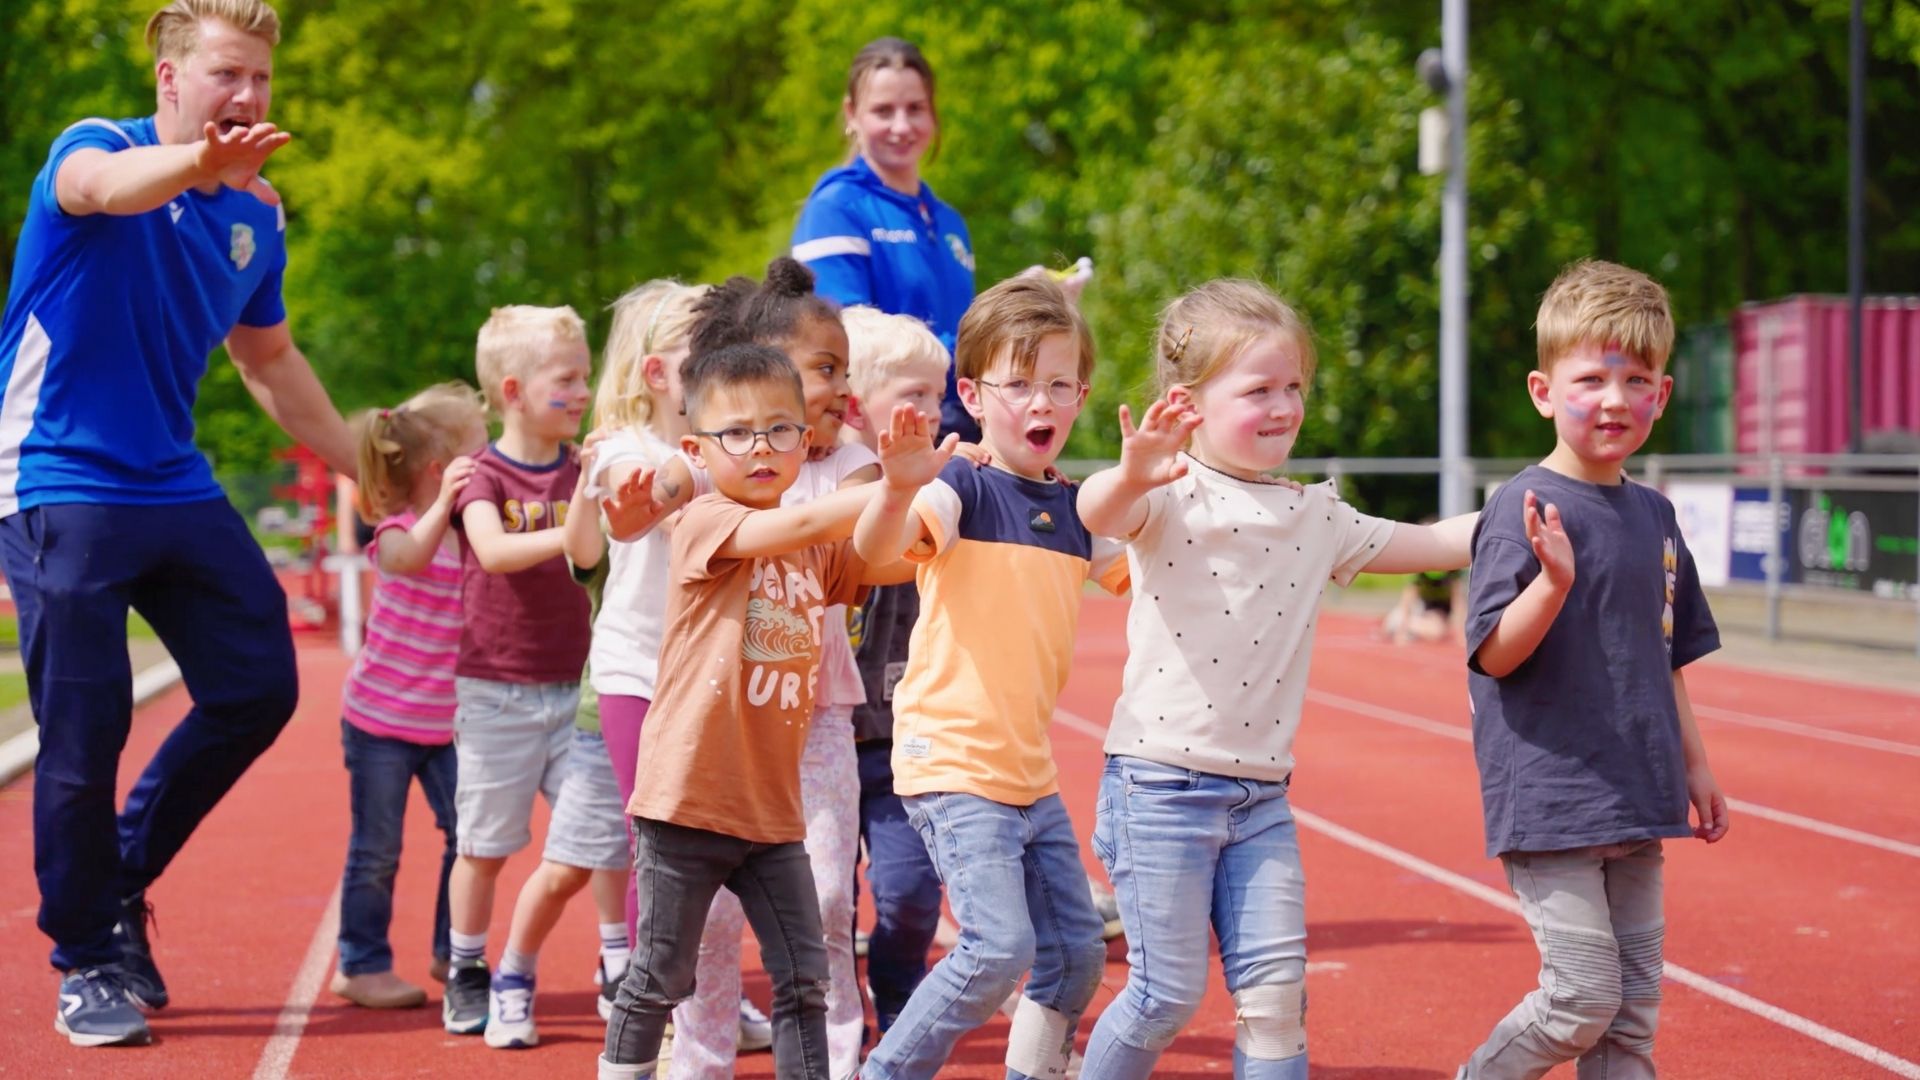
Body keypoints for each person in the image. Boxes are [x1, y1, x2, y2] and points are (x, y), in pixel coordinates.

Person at [0, 0, 357, 1047]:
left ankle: (117, 877)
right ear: (169, 79)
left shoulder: (257, 215)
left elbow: (268, 359)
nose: (246, 96)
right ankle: (87, 959)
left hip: (168, 479)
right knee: (86, 729)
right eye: (224, 74)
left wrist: (365, 471)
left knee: (258, 685)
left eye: (260, 79)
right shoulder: (95, 149)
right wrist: (200, 165)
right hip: (55, 476)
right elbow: (108, 191)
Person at [1073, 280, 1478, 1078]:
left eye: (1294, 386)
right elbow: (1099, 513)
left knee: (1276, 1000)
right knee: (1163, 998)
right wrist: (1133, 472)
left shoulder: (1318, 516)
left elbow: (1435, 544)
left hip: (1260, 801)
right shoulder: (1167, 495)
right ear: (1188, 403)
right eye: (1258, 390)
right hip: (1158, 789)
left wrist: (1550, 498)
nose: (1284, 406)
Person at [597, 345, 950, 1080]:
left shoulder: (816, 550)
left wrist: (922, 500)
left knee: (804, 977)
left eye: (779, 431)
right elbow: (804, 523)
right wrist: (894, 483)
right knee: (661, 972)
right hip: (688, 803)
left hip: (771, 812)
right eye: (736, 433)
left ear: (805, 440)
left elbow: (886, 556)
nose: (761, 448)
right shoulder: (703, 520)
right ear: (695, 451)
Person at [1456, 260, 1729, 1079]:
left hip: (1639, 797)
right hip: (1554, 802)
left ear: (1663, 395)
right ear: (1544, 392)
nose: (1614, 399)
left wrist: (1696, 767)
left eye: (1635, 380)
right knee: (1580, 998)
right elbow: (1493, 653)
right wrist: (1553, 583)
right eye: (1591, 379)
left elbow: (1666, 655)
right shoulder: (1523, 508)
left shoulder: (1656, 515)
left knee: (1631, 1017)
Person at [852, 275, 1127, 1080]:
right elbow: (877, 553)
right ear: (971, 396)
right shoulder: (960, 487)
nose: (1041, 401)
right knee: (999, 947)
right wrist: (898, 487)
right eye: (1019, 384)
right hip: (952, 759)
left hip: (1027, 772)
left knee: (1076, 952)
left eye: (1060, 384)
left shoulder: (1079, 511)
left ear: (1082, 396)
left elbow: (1152, 579)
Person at [440, 305, 597, 1036]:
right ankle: (467, 966)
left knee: (602, 839)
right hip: (496, 692)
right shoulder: (484, 476)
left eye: (586, 376)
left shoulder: (582, 469)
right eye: (568, 379)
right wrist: (580, 526)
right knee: (484, 847)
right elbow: (495, 552)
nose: (584, 391)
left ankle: (617, 957)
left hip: (579, 689)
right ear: (513, 391)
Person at [329, 383, 487, 1010]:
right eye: (480, 451)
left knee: (468, 835)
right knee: (378, 848)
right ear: (440, 470)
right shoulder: (398, 529)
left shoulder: (474, 532)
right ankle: (361, 963)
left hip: (446, 726)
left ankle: (454, 951)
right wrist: (444, 504)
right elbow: (405, 560)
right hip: (381, 723)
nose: (492, 461)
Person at [838, 306, 948, 1037]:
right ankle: (832, 1016)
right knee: (823, 900)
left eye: (939, 395)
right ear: (856, 406)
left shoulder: (943, 487)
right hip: (819, 735)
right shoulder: (818, 486)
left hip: (903, 736)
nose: (934, 411)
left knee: (911, 893)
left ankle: (900, 990)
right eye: (915, 395)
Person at [791, 38, 979, 444]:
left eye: (915, 108)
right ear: (851, 114)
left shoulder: (949, 221)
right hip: (887, 436)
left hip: (962, 423)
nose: (901, 126)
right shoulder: (835, 209)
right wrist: (977, 346)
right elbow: (848, 344)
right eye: (883, 111)